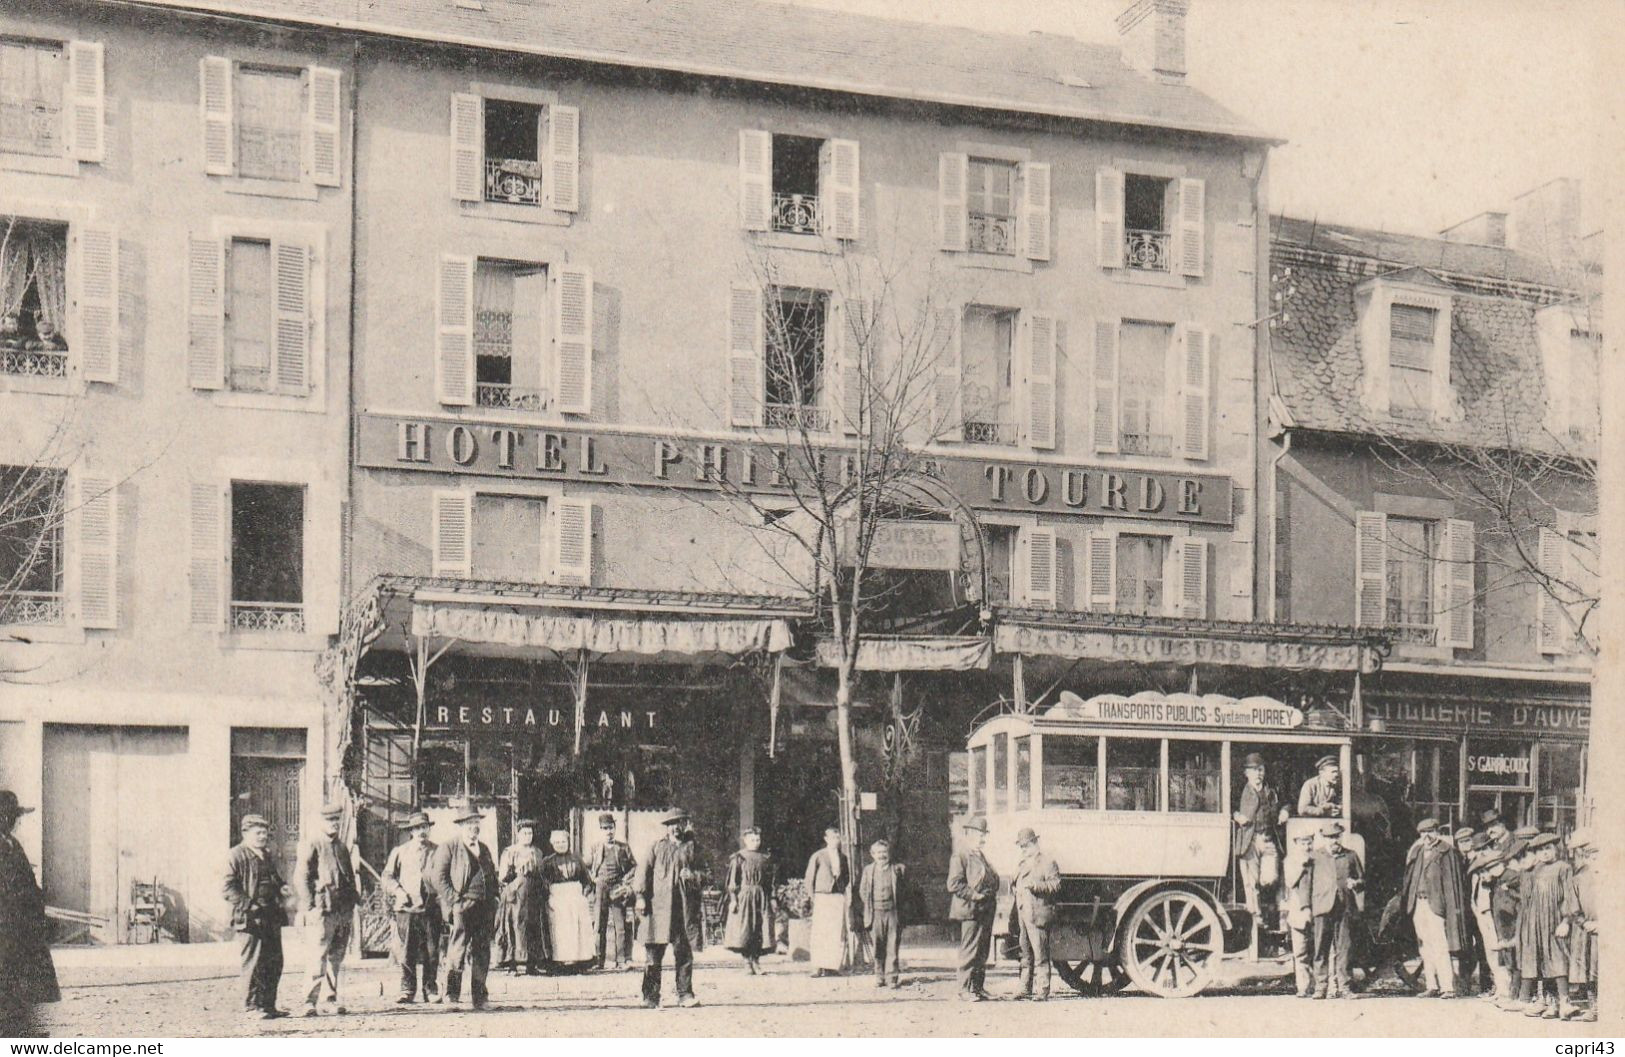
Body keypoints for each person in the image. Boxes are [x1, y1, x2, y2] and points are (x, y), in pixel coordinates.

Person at [0, 791, 59, 1037]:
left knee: (22, 982)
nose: (15, 821)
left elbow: (26, 882)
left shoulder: (12, 843)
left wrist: (37, 902)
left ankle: (22, 1031)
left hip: (21, 926)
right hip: (8, 927)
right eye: (13, 816)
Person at [431, 798, 498, 1010]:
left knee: (482, 951)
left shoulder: (484, 848)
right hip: (463, 907)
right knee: (457, 950)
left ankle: (480, 997)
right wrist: (455, 902)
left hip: (484, 907)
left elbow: (491, 875)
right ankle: (451, 995)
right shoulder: (449, 847)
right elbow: (438, 877)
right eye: (469, 823)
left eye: (476, 822)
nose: (473, 827)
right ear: (460, 825)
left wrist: (494, 897)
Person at [294, 804, 360, 1018]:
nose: (334, 824)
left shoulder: (341, 846)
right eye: (331, 821)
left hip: (342, 910)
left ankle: (330, 999)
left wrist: (353, 903)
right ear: (321, 822)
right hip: (323, 910)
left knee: (336, 957)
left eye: (337, 821)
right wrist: (310, 907)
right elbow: (301, 877)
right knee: (317, 955)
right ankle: (308, 1001)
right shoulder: (312, 843)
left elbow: (348, 876)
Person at [222, 814, 289, 1022]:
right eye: (258, 833)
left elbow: (273, 878)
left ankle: (268, 1005)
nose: (263, 836)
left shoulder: (266, 855)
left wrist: (281, 886)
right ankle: (251, 1006)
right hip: (250, 919)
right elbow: (227, 888)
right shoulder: (236, 855)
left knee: (274, 961)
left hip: (271, 917)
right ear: (245, 833)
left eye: (265, 833)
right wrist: (249, 905)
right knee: (253, 963)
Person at [638, 807, 704, 1008]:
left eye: (680, 823)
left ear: (685, 824)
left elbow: (708, 874)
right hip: (658, 909)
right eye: (672, 824)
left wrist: (693, 876)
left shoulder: (693, 848)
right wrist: (640, 897)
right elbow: (643, 873)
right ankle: (650, 996)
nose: (676, 828)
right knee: (653, 955)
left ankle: (685, 994)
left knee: (683, 954)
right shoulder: (656, 848)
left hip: (683, 910)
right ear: (667, 828)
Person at [1515, 833, 1583, 1020]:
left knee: (1557, 958)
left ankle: (1565, 1002)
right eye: (1540, 850)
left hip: (1554, 921)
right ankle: (1548, 1001)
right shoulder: (1535, 870)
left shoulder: (1564, 868)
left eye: (1548, 849)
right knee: (1540, 959)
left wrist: (1566, 921)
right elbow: (1528, 897)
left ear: (1555, 849)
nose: (1544, 853)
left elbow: (1570, 896)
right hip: (1535, 922)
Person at [1399, 818, 1469, 998]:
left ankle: (1447, 987)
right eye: (1423, 832)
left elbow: (1452, 884)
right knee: (1425, 946)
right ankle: (1431, 985)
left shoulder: (1447, 852)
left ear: (1438, 832)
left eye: (1430, 831)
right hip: (1418, 904)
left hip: (1437, 906)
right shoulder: (1418, 851)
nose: (1427, 836)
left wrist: (1451, 909)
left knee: (1440, 945)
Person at [381, 811, 441, 1004]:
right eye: (417, 828)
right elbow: (387, 877)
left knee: (432, 952)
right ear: (411, 831)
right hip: (406, 909)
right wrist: (398, 891)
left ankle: (430, 988)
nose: (422, 831)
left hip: (431, 909)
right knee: (407, 952)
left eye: (425, 827)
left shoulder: (438, 851)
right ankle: (407, 989)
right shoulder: (400, 852)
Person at [1233, 753, 1288, 928]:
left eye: (1261, 770)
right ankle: (1256, 917)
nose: (1258, 774)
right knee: (1251, 882)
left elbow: (1287, 802)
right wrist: (1236, 815)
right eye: (1254, 770)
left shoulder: (1272, 791)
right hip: (1250, 840)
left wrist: (1285, 811)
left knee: (1269, 879)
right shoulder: (1239, 790)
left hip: (1269, 839)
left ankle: (1269, 910)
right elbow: (1228, 806)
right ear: (1246, 773)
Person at [946, 817, 999, 1001]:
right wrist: (975, 895)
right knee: (969, 950)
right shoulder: (961, 855)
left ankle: (977, 988)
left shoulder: (980, 855)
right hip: (972, 909)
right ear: (969, 834)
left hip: (985, 909)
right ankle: (963, 989)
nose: (982, 838)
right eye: (979, 834)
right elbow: (953, 884)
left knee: (982, 950)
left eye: (984, 834)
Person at [1308, 821, 1362, 999]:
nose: (1334, 841)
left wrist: (1356, 883)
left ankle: (1345, 987)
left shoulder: (1351, 856)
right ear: (1324, 839)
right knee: (1320, 948)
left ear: (1341, 837)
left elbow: (1362, 880)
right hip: (1321, 907)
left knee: (1344, 948)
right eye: (1330, 838)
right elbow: (1306, 885)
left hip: (1344, 907)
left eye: (1336, 837)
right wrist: (1306, 907)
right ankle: (1320, 987)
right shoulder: (1315, 857)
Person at [1012, 827, 1061, 1002]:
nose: (1023, 850)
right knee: (1025, 955)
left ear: (1035, 843)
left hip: (1038, 914)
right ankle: (1024, 988)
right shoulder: (1022, 864)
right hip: (1024, 915)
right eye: (1021, 847)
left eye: (1026, 846)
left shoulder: (1047, 862)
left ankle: (1042, 990)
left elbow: (1055, 885)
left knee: (1040, 954)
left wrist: (1035, 885)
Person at [495, 820, 547, 975]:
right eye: (524, 833)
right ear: (518, 835)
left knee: (533, 925)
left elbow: (541, 872)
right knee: (515, 925)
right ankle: (513, 963)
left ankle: (531, 963)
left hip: (533, 893)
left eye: (530, 833)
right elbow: (503, 875)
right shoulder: (510, 851)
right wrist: (517, 872)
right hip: (515, 894)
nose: (528, 836)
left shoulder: (537, 852)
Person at [723, 827, 775, 973]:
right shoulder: (739, 858)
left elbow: (770, 881)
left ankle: (756, 961)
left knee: (760, 928)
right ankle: (747, 962)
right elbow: (733, 881)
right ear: (745, 840)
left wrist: (771, 898)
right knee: (746, 929)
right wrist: (733, 899)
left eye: (758, 839)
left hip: (761, 896)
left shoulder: (765, 858)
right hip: (744, 896)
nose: (755, 842)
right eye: (752, 840)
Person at [588, 813, 636, 971]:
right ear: (600, 830)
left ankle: (621, 960)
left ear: (615, 828)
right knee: (599, 926)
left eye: (611, 828)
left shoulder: (622, 847)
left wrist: (625, 882)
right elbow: (585, 866)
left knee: (620, 925)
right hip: (601, 887)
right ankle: (599, 961)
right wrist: (593, 879)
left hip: (617, 888)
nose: (608, 831)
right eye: (604, 829)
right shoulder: (595, 848)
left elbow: (634, 866)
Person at [856, 839, 906, 989]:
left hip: (893, 913)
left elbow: (905, 892)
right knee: (878, 946)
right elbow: (863, 891)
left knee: (892, 946)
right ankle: (879, 976)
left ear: (889, 853)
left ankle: (892, 978)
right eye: (878, 853)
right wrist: (872, 906)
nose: (881, 855)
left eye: (884, 852)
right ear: (872, 854)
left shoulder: (898, 869)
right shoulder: (868, 870)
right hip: (875, 913)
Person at [541, 830, 595, 967]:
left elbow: (587, 880)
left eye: (563, 842)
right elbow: (543, 881)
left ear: (568, 842)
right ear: (552, 844)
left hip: (575, 896)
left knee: (576, 928)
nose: (560, 845)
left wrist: (584, 895)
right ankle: (560, 959)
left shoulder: (577, 859)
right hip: (557, 898)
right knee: (560, 929)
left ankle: (578, 959)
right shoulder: (548, 862)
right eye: (557, 842)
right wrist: (549, 895)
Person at [803, 826, 850, 977]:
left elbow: (846, 876)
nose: (835, 841)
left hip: (837, 896)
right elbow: (809, 878)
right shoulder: (818, 856)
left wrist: (841, 888)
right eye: (832, 838)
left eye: (838, 838)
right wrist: (813, 897)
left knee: (835, 932)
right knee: (820, 932)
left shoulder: (843, 857)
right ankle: (817, 966)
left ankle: (831, 966)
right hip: (822, 896)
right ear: (826, 839)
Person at [1490, 839, 1528, 1009]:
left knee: (1516, 959)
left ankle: (1517, 995)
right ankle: (1513, 993)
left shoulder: (1513, 877)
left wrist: (1510, 891)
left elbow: (1521, 900)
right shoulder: (1504, 879)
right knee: (1510, 960)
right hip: (1507, 924)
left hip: (1515, 922)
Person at [1567, 830, 1598, 1022]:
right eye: (1592, 856)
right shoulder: (1579, 879)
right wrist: (1584, 922)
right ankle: (1594, 1007)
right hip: (1587, 930)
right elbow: (1573, 907)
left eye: (1599, 855)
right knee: (1589, 969)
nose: (1596, 860)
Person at [1283, 829, 1317, 998]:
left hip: (1317, 910)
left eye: (1309, 842)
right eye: (1303, 843)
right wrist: (1302, 865)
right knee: (1300, 952)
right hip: (1298, 912)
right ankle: (1303, 986)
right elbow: (1290, 881)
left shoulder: (1317, 860)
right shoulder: (1290, 861)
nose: (1306, 846)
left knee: (1318, 951)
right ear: (1296, 844)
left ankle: (1318, 985)